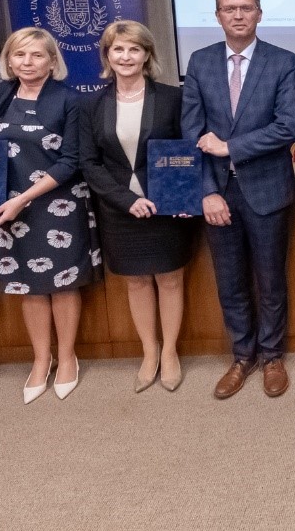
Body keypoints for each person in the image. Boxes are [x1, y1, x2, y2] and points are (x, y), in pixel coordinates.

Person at [182, 0, 295, 400]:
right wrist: (206, 191)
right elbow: (190, 130)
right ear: (217, 16)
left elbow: (287, 127)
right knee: (230, 281)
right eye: (230, 8)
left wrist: (231, 146)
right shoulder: (199, 62)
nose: (238, 15)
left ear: (259, 13)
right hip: (218, 191)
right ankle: (241, 356)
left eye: (246, 7)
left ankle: (272, 357)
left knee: (270, 280)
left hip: (267, 189)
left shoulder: (283, 61)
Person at [0, 26, 98, 404]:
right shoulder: (0, 94)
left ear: (52, 61)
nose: (27, 62)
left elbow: (72, 161)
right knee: (27, 285)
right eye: (19, 55)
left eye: (36, 55)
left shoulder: (69, 100)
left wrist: (25, 198)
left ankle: (66, 358)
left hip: (56, 203)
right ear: (9, 60)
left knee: (62, 284)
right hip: (10, 206)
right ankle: (40, 358)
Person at [79, 21, 195, 393]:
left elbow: (185, 151)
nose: (126, 56)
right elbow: (89, 163)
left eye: (134, 49)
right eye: (118, 49)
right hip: (118, 208)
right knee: (137, 281)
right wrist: (127, 201)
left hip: (166, 205)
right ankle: (149, 351)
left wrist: (182, 195)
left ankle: (171, 352)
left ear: (147, 55)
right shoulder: (91, 104)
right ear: (107, 56)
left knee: (171, 278)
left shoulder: (172, 98)